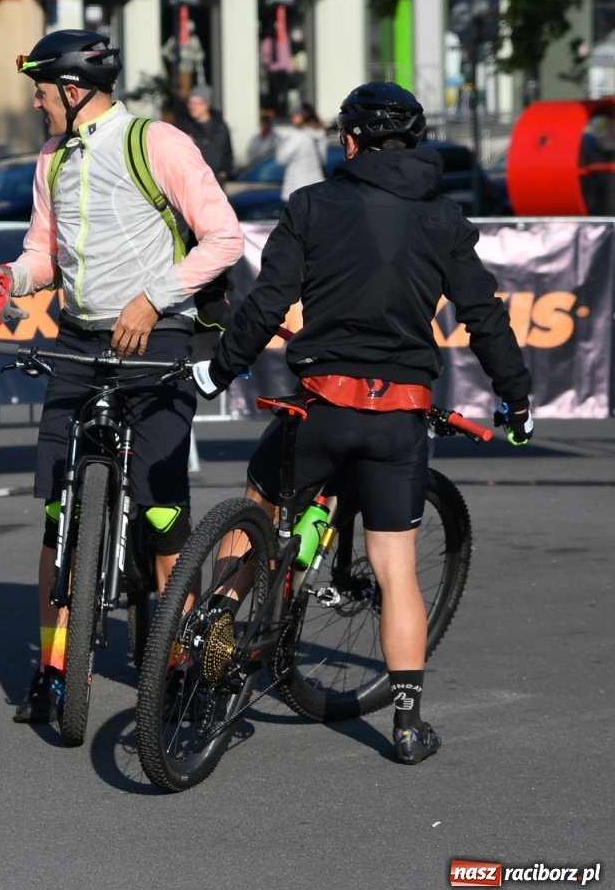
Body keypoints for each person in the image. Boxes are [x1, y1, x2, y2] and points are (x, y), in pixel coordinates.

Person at [190, 81, 533, 766]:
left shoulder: (312, 206)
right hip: (398, 417)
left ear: (349, 141)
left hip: (321, 408)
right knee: (395, 569)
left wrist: (216, 372)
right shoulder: (442, 219)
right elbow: (484, 314)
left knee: (257, 509)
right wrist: (515, 397)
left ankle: (213, 640)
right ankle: (406, 726)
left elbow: (265, 305)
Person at [0, 30, 243, 726]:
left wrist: (154, 297)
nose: (34, 101)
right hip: (80, 338)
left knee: (161, 511)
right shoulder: (51, 158)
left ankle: (181, 663)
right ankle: (54, 667)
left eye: (41, 88)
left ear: (73, 89)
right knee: (58, 515)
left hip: (158, 337)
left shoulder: (158, 143)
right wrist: (12, 280)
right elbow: (44, 253)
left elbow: (225, 238)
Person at [174, 85, 235, 185]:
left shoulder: (220, 126)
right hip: (191, 182)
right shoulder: (181, 126)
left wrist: (224, 172)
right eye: (190, 103)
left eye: (197, 103)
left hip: (216, 182)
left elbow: (228, 152)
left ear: (206, 105)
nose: (193, 106)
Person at [275, 103, 327, 200]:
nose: (292, 118)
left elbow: (281, 159)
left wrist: (280, 144)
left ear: (302, 117)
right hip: (316, 187)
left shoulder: (297, 136)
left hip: (296, 188)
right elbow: (323, 160)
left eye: (294, 115)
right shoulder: (320, 134)